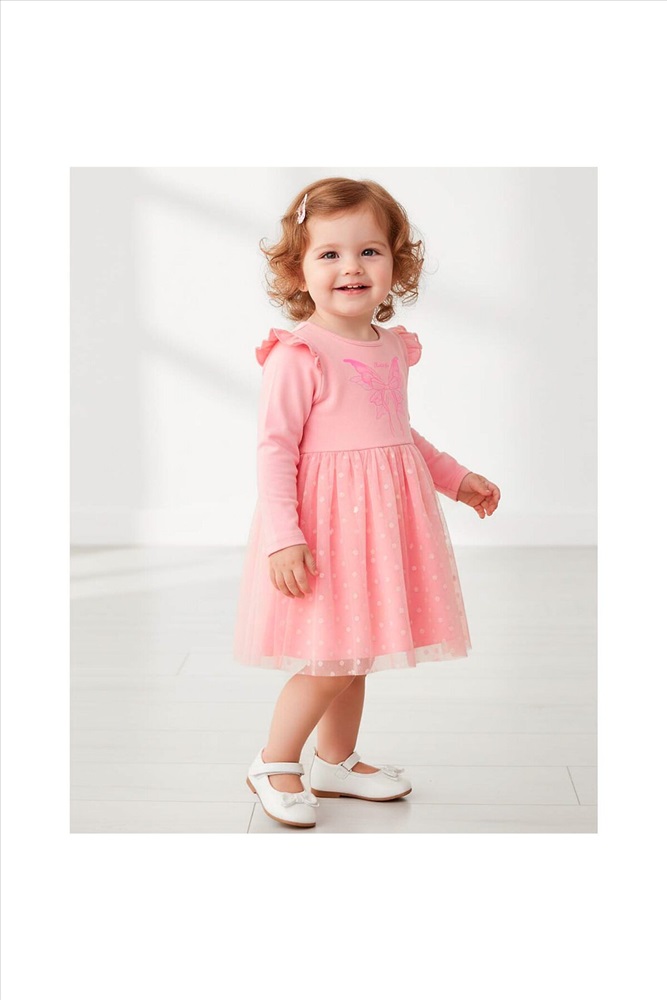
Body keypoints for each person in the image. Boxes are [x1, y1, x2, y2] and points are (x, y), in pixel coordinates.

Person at [233, 177, 501, 829]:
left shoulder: (391, 348)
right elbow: (275, 450)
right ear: (298, 271)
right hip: (323, 528)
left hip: (376, 526)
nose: (350, 267)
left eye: (368, 251)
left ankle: (335, 760)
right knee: (327, 659)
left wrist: (455, 478)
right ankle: (274, 761)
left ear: (395, 264)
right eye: (329, 254)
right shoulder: (298, 354)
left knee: (352, 651)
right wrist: (284, 536)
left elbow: (397, 431)